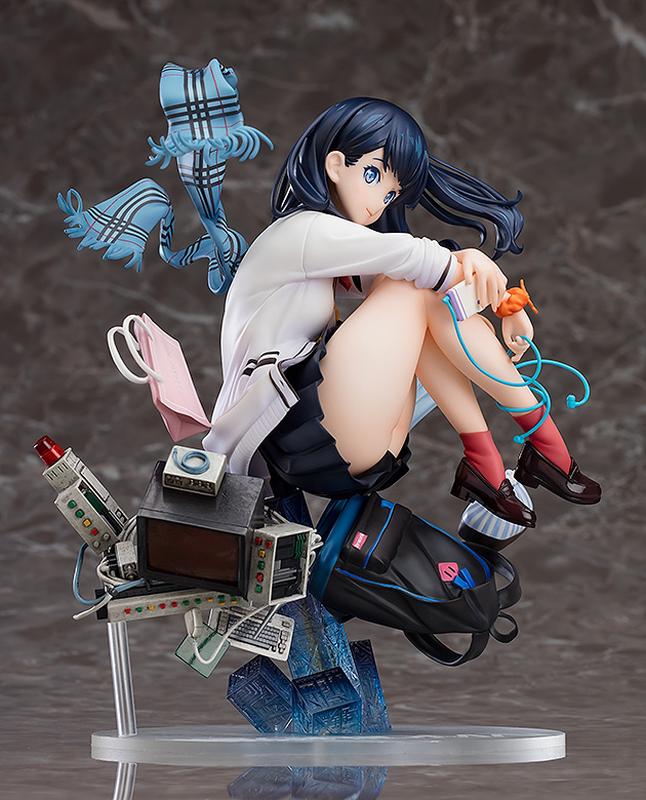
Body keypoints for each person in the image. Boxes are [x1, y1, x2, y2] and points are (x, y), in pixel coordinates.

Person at [202, 97, 600, 526]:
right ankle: (545, 445)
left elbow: (416, 273)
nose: (380, 203)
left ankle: (485, 457)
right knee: (413, 285)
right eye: (373, 176)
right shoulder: (302, 232)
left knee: (419, 290)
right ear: (335, 164)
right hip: (299, 436)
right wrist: (477, 266)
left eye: (391, 193)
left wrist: (506, 303)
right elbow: (413, 260)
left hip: (349, 440)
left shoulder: (334, 245)